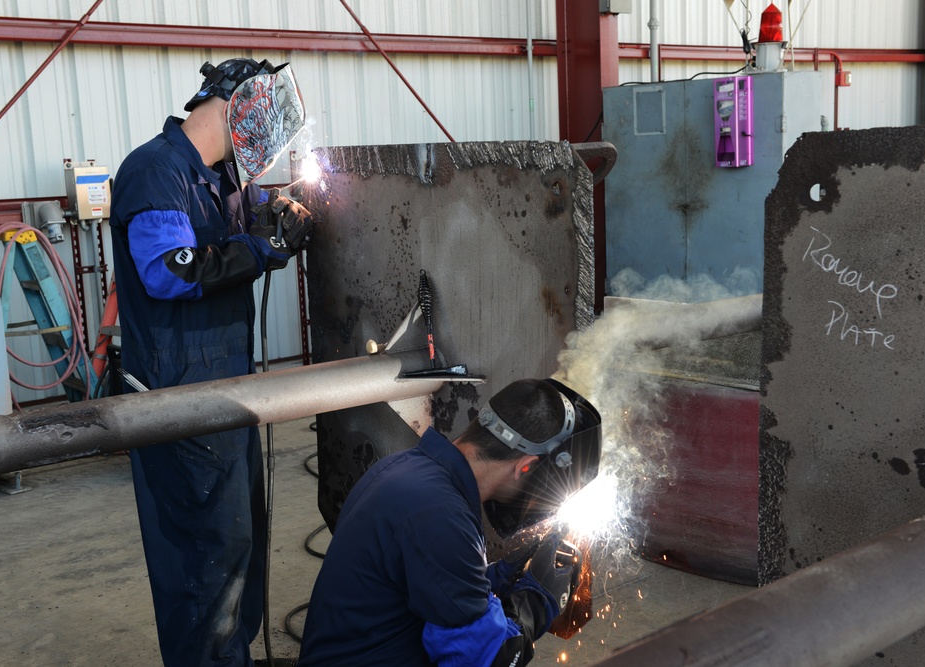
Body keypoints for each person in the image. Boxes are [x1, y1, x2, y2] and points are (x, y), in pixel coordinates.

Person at [109, 57, 312, 667]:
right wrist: (260, 249)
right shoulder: (155, 171)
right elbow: (170, 271)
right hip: (180, 396)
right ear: (235, 109)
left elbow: (225, 244)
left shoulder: (215, 179)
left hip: (224, 388)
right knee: (204, 561)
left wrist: (272, 220)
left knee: (237, 545)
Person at [298, 378, 602, 666]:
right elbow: (494, 659)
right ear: (526, 467)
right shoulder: (440, 516)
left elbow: (434, 585)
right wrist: (538, 600)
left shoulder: (410, 469)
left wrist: (501, 575)